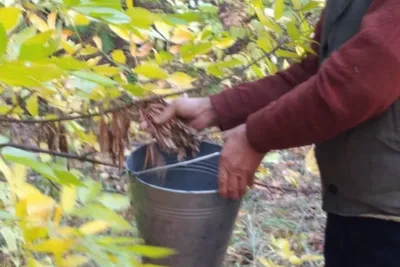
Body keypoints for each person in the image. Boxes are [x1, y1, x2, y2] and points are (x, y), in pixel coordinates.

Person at [141, 0, 400, 266]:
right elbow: (316, 73)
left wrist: (254, 137)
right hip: (359, 208)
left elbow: (361, 83)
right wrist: (215, 108)